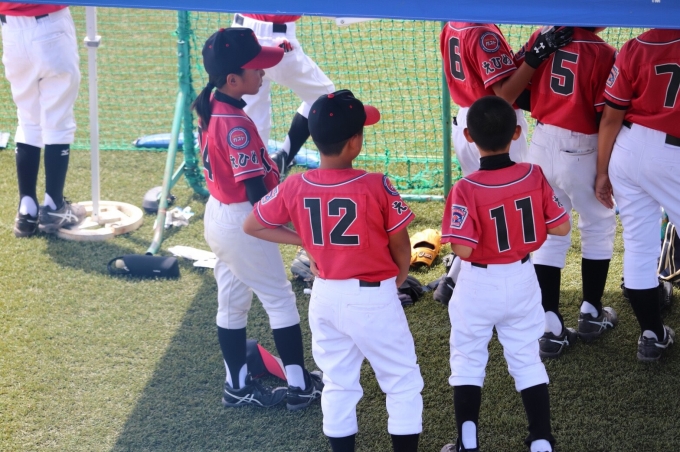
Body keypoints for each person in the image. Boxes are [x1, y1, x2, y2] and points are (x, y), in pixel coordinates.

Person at [243, 90, 424, 452]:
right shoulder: (376, 183)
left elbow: (253, 224)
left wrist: (305, 240)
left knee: (338, 383)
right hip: (372, 296)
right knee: (401, 381)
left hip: (324, 295)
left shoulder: (295, 184)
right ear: (354, 141)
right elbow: (401, 246)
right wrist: (398, 279)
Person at [192, 27, 323, 409]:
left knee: (232, 302)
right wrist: (292, 230)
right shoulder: (235, 125)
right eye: (255, 68)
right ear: (233, 80)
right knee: (279, 299)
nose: (263, 72)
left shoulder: (213, 102)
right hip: (242, 221)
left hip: (220, 216)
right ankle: (300, 387)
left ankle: (236, 386)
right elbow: (256, 195)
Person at [440, 96, 570, 452]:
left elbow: (463, 250)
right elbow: (561, 227)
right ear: (516, 133)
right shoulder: (533, 174)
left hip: (478, 283)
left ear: (468, 136)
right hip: (523, 277)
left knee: (468, 360)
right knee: (526, 358)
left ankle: (467, 444)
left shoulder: (465, 188)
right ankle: (541, 441)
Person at [435, 23, 572, 302]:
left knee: (480, 207)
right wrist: (534, 58)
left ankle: (452, 280)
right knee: (508, 209)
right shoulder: (483, 32)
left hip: (469, 124)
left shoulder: (451, 24)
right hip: (495, 122)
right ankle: (501, 284)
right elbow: (505, 94)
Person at [518, 27, 618, 359]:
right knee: (598, 224)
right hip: (583, 144)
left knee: (550, 229)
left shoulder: (543, 35)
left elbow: (521, 92)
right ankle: (591, 312)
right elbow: (607, 115)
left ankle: (550, 327)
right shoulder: (604, 52)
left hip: (542, 141)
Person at [595, 28, 679, 361]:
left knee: (639, 248)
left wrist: (602, 171)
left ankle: (652, 336)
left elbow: (610, 117)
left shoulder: (636, 45)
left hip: (629, 149)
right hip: (673, 154)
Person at [0, 3, 85, 237]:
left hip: (11, 30)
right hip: (50, 23)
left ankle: (26, 212)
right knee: (58, 119)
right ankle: (54, 206)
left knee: (28, 119)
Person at [231, 13, 335, 174]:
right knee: (327, 97)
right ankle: (284, 157)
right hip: (276, 41)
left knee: (252, 116)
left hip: (239, 34)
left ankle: (253, 175)